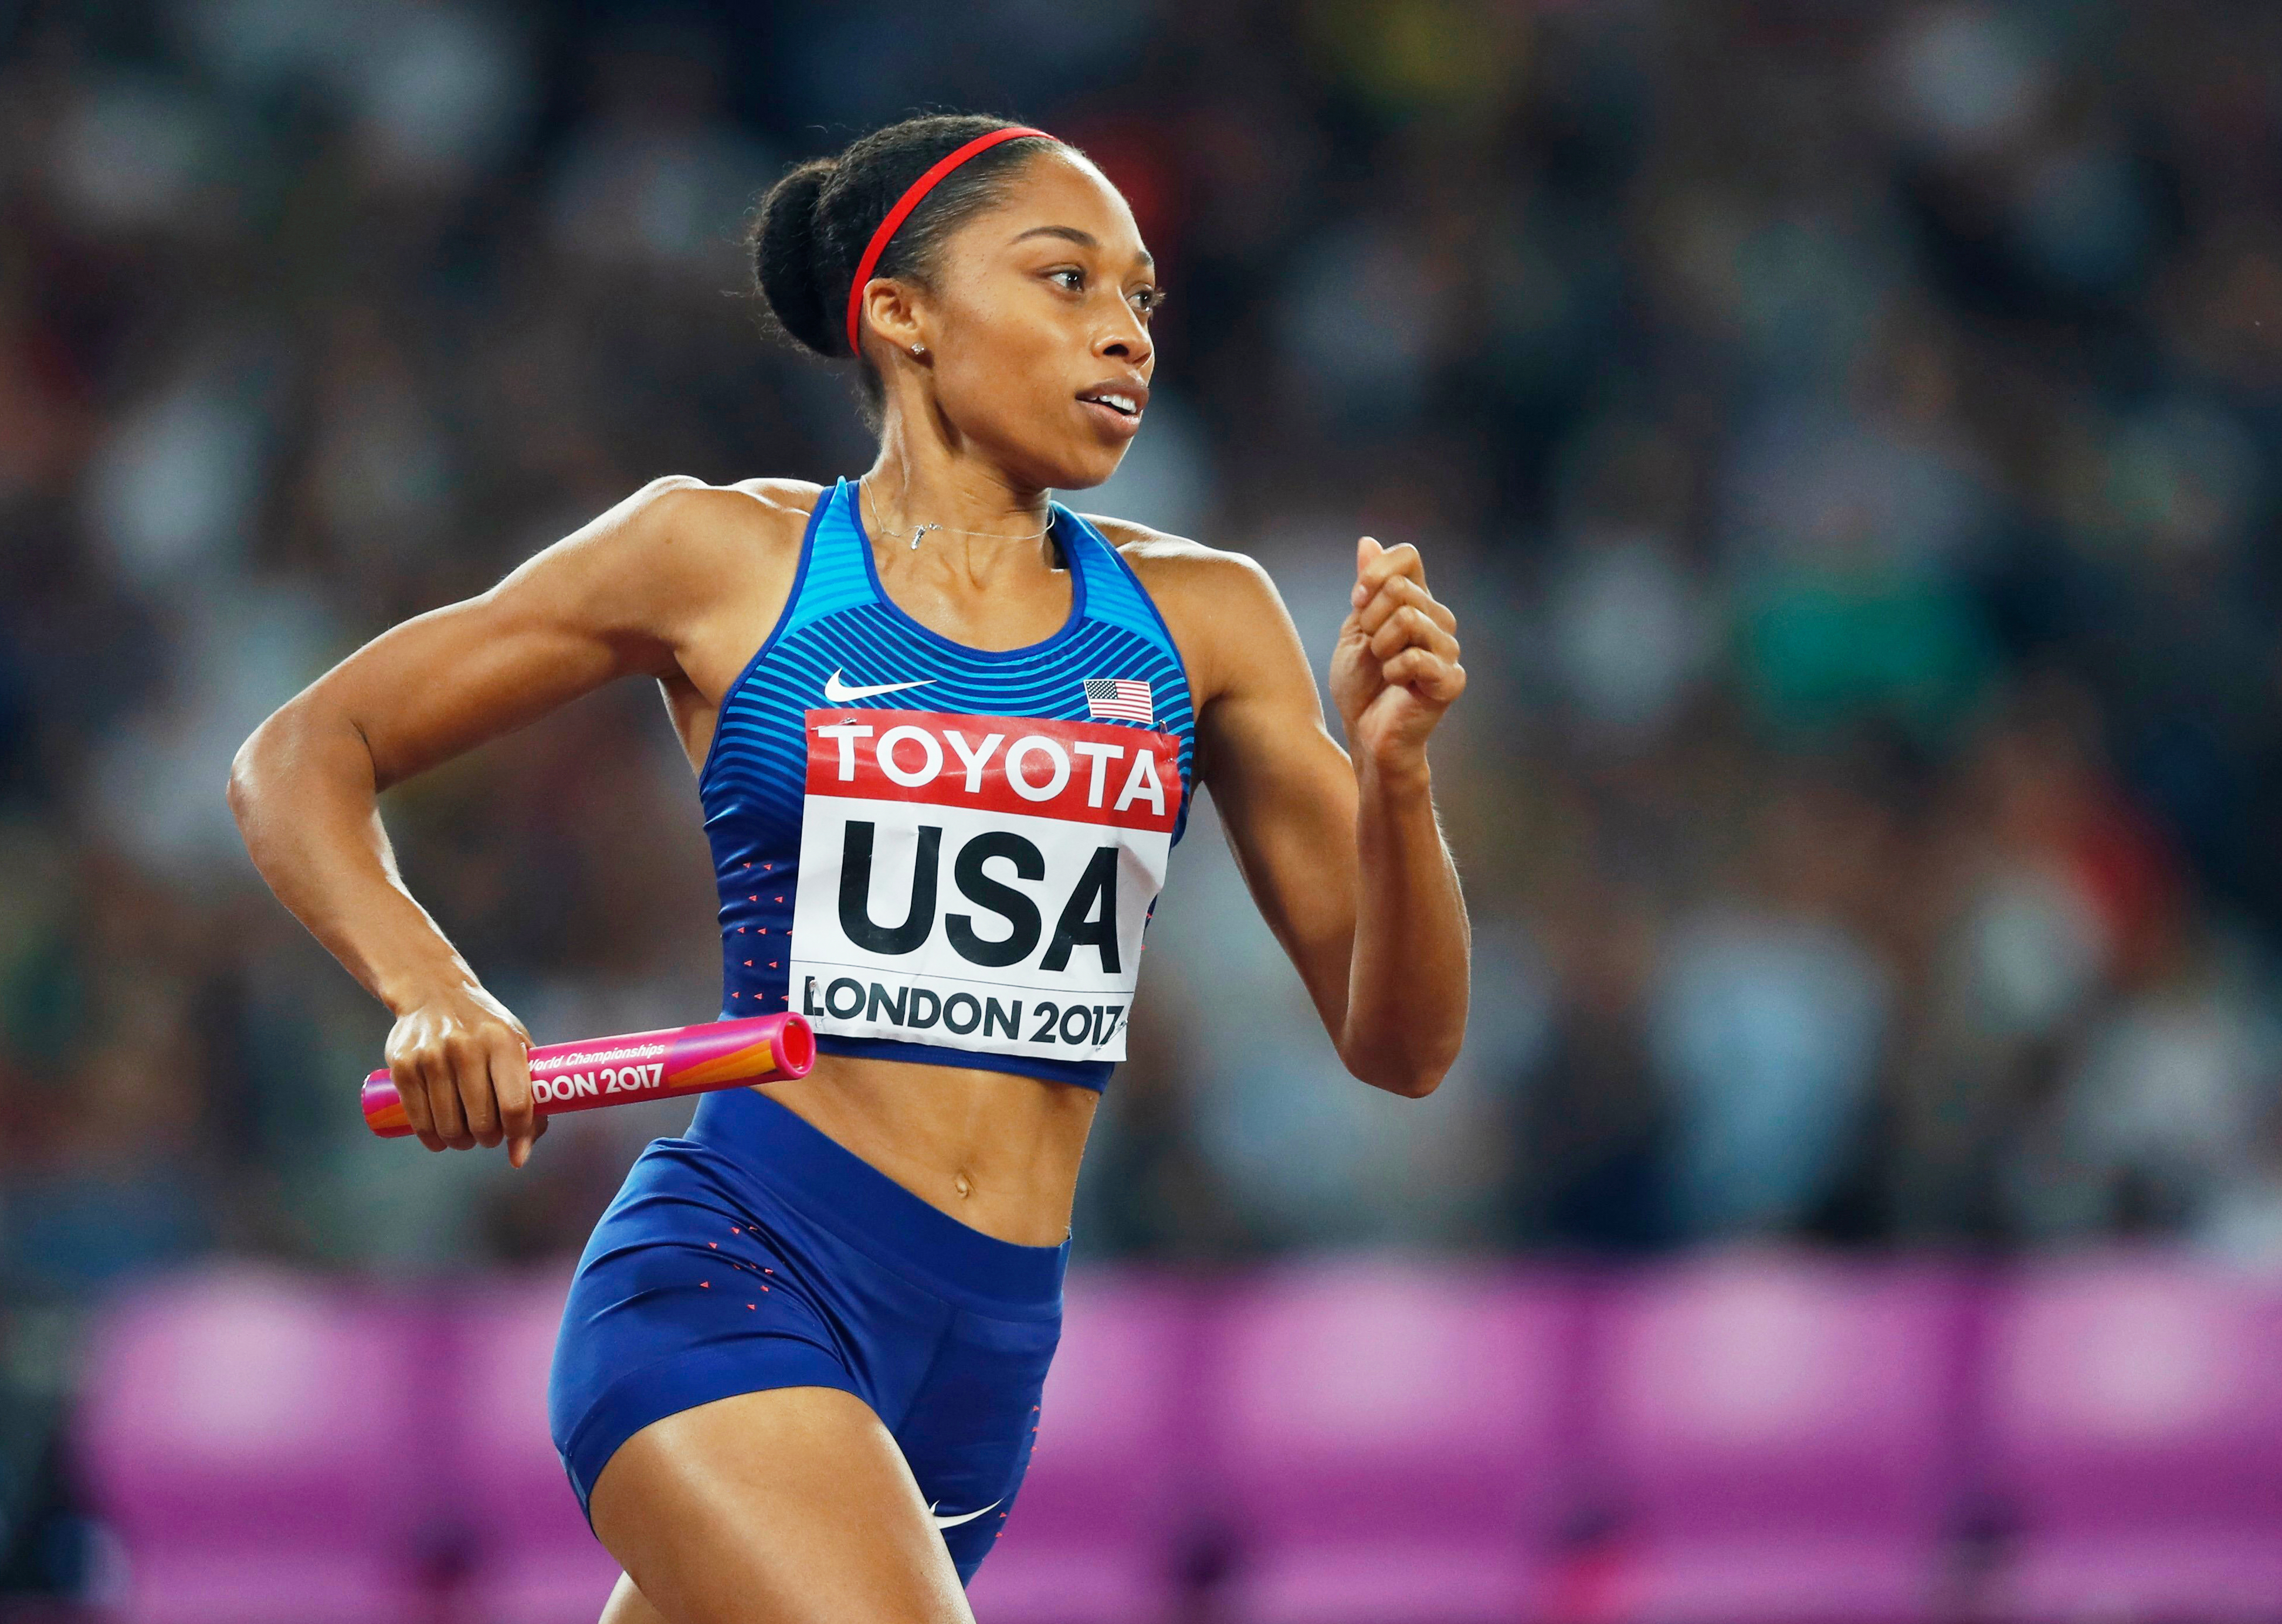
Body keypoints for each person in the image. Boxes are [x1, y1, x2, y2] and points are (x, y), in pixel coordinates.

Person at [228, 113, 1470, 1624]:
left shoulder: (1206, 620)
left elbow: (1403, 1046)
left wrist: (1396, 780)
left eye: (1142, 298)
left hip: (985, 1359)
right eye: (1068, 280)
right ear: (902, 314)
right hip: (741, 1274)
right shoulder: (721, 561)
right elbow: (302, 755)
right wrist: (433, 991)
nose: (1127, 335)